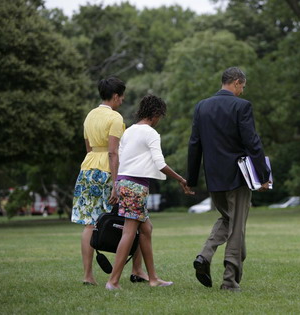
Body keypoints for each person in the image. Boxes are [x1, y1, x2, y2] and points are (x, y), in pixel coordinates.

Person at [186, 67, 271, 292]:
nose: (242, 91)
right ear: (235, 82)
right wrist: (264, 176)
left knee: (227, 219)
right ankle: (229, 280)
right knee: (237, 227)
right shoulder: (241, 106)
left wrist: (191, 179)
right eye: (242, 86)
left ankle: (204, 256)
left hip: (214, 179)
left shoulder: (201, 107)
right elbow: (252, 142)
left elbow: (195, 144)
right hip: (238, 177)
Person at [105, 94, 193, 290]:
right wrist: (181, 179)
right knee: (129, 231)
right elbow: (160, 164)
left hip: (124, 183)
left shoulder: (129, 131)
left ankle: (153, 278)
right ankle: (113, 281)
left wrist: (116, 184)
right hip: (136, 187)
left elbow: (120, 158)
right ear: (155, 114)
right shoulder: (151, 133)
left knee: (146, 229)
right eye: (160, 116)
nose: (159, 120)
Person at [71, 77, 148, 285]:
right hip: (107, 171)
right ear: (115, 96)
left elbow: (89, 148)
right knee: (133, 219)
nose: (122, 100)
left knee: (89, 224)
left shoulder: (89, 116)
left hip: (88, 168)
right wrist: (116, 183)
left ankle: (88, 276)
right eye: (121, 96)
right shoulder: (115, 118)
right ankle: (137, 270)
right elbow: (114, 152)